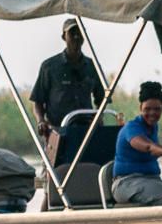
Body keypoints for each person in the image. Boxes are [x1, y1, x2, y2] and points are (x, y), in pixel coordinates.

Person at [28, 18, 106, 162]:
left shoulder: (92, 65)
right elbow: (38, 101)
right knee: (56, 171)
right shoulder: (49, 66)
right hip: (58, 131)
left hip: (86, 131)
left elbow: (102, 98)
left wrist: (98, 117)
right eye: (72, 33)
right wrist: (41, 121)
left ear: (84, 37)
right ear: (64, 37)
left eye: (80, 33)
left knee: (87, 169)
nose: (76, 37)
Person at [110, 80, 162, 205]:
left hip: (151, 181)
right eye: (147, 109)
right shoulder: (132, 127)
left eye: (157, 109)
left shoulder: (153, 127)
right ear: (140, 107)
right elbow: (148, 147)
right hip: (126, 183)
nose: (152, 113)